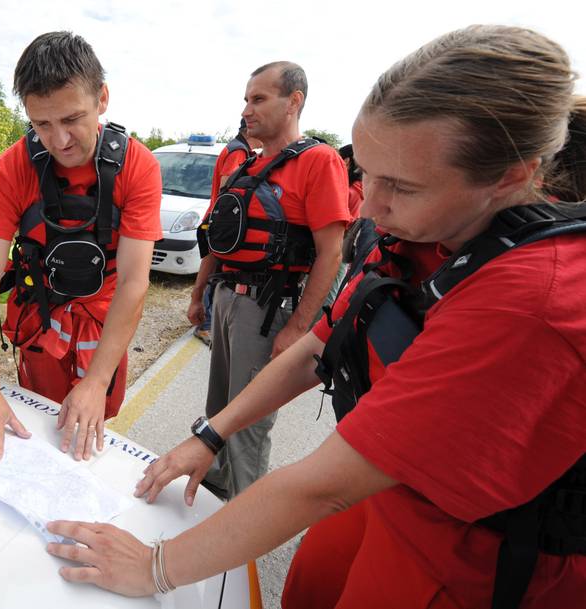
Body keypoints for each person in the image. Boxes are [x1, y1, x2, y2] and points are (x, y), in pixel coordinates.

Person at [42, 25, 586, 609]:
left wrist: (155, 567)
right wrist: (209, 434)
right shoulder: (423, 227)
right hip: (386, 501)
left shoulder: (532, 303)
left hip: (476, 554)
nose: (369, 208)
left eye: (399, 185)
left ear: (508, 176)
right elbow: (319, 348)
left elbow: (325, 486)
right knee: (306, 588)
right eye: (367, 172)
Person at [0, 32, 161, 464]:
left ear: (102, 98)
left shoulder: (137, 168)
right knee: (40, 423)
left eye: (71, 119)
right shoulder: (12, 169)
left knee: (94, 423)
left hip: (103, 324)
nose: (59, 140)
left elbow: (135, 284)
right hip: (40, 318)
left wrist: (97, 381)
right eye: (41, 124)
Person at [191, 61, 349, 499]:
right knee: (218, 411)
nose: (247, 109)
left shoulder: (319, 162)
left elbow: (331, 252)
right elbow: (216, 238)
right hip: (227, 299)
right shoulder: (245, 166)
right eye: (246, 99)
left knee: (246, 427)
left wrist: (299, 328)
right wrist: (201, 291)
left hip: (267, 311)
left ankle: (240, 532)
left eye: (258, 99)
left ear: (294, 102)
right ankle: (216, 488)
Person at [190, 118, 261, 346]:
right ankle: (206, 325)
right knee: (215, 274)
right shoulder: (239, 151)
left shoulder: (236, 147)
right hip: (222, 222)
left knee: (213, 272)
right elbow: (227, 186)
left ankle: (206, 321)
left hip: (218, 220)